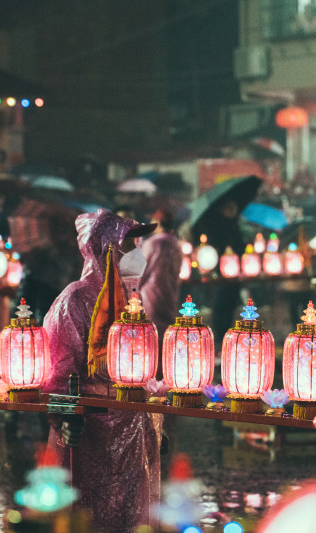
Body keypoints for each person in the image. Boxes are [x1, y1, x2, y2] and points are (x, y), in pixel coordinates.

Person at [43, 210, 161, 532]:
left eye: (137, 242)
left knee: (130, 514)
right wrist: (66, 416)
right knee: (91, 514)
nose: (137, 251)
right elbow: (59, 371)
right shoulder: (74, 300)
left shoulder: (128, 300)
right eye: (128, 244)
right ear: (106, 249)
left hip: (132, 428)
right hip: (91, 434)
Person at [193, 199, 245, 341]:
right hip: (222, 271)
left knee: (230, 304)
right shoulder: (215, 225)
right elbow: (214, 246)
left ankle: (226, 334)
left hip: (236, 271)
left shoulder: (235, 226)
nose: (233, 211)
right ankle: (219, 335)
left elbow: (241, 246)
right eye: (230, 208)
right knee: (220, 303)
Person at [139, 208, 183, 354]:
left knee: (152, 332)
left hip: (151, 294)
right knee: (167, 330)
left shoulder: (152, 243)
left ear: (158, 222)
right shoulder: (175, 243)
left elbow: (142, 269)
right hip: (170, 292)